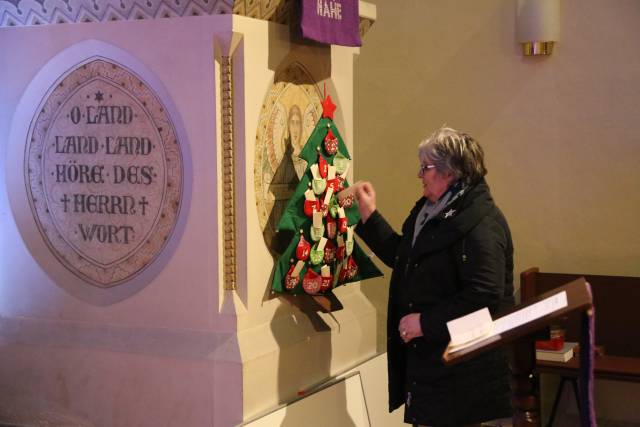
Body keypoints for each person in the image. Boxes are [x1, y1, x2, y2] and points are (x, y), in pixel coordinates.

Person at [355, 126, 514, 426]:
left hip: (460, 373)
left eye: (425, 167)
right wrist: (369, 215)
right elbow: (405, 258)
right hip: (431, 366)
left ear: (450, 172)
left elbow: (485, 295)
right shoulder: (433, 211)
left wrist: (425, 323)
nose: (420, 175)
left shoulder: (481, 223)